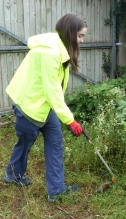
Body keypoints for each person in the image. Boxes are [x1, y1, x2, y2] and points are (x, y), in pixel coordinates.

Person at [4, 13, 87, 202]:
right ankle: (12, 175)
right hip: (29, 105)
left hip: (44, 105)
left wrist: (64, 117)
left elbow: (54, 90)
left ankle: (56, 191)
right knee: (25, 143)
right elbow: (52, 90)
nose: (82, 41)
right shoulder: (50, 52)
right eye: (80, 36)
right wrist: (69, 119)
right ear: (70, 32)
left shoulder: (60, 46)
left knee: (55, 142)